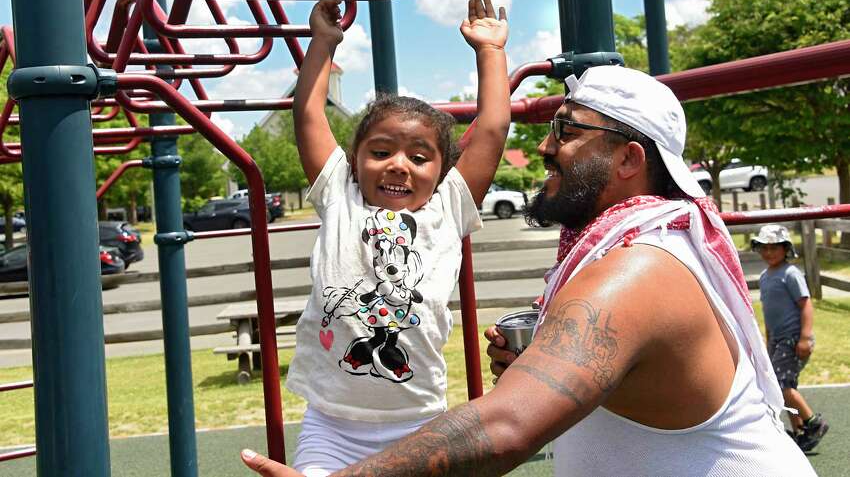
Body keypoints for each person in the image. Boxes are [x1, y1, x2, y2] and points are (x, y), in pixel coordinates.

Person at [241, 66, 817, 476]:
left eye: (567, 130)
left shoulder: (641, 268)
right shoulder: (625, 248)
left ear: (627, 159)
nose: (544, 145)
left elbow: (507, 430)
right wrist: (542, 362)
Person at [280, 0, 510, 476]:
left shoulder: (447, 208)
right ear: (355, 160)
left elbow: (491, 128)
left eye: (419, 157)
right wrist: (323, 43)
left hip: (419, 421)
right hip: (332, 424)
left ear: (443, 170)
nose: (398, 166)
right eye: (381, 151)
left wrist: (490, 53)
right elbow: (309, 115)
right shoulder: (339, 197)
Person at [753, 224, 829, 451]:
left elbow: (806, 305)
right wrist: (768, 342)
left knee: (782, 386)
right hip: (777, 339)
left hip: (793, 338)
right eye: (764, 248)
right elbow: (769, 311)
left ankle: (814, 423)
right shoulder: (766, 277)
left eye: (774, 248)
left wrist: (805, 337)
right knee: (781, 386)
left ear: (786, 249)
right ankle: (799, 432)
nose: (768, 253)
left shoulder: (791, 274)